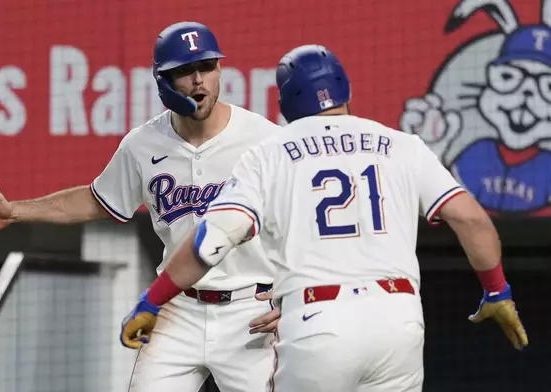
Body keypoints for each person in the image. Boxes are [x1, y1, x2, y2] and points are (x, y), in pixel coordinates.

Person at [121, 44, 529, 392]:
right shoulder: (403, 145)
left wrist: (152, 301)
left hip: (319, 321)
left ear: (285, 102)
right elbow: (472, 221)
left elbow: (212, 238)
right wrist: (498, 292)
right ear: (345, 91)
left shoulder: (270, 152)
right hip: (398, 320)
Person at [0, 21, 282, 392]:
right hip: (178, 309)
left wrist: (293, 296)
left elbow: (304, 224)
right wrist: (16, 212)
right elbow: (96, 199)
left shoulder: (265, 140)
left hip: (250, 311)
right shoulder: (143, 144)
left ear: (220, 70)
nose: (199, 80)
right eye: (185, 72)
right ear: (163, 82)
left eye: (207, 67)